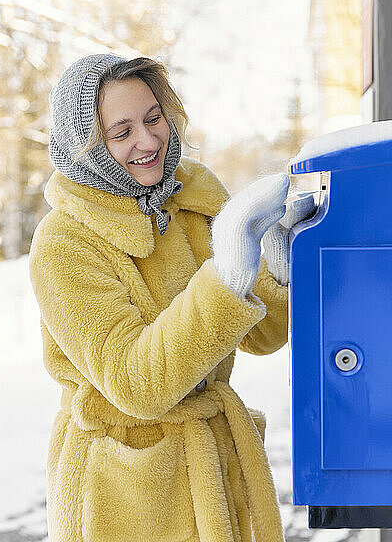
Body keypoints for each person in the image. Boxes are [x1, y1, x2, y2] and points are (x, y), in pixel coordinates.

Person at [29, 53, 315, 542]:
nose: (147, 141)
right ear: (85, 150)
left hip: (212, 478)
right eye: (121, 133)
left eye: (153, 117)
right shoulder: (65, 242)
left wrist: (278, 259)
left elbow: (263, 334)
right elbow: (137, 383)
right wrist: (226, 274)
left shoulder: (190, 200)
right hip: (124, 493)